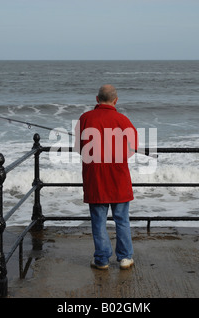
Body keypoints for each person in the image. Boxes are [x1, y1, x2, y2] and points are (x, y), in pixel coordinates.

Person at [75, 84, 138, 270]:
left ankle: (102, 260)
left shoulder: (85, 118)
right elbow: (132, 149)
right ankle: (125, 258)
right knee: (122, 219)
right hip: (118, 177)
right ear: (116, 100)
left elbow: (79, 149)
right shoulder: (122, 119)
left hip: (95, 178)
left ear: (97, 99)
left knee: (98, 220)